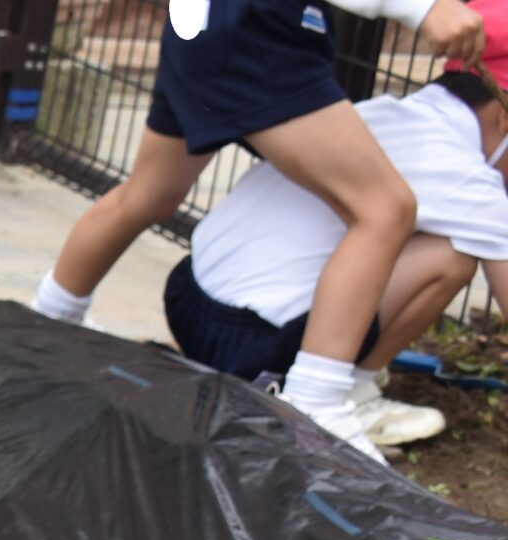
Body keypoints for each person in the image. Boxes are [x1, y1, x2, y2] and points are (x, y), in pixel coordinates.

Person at [29, 0, 487, 456]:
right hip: (257, 31)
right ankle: (317, 401)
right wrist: (422, 7)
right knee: (385, 209)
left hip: (205, 21)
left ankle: (48, 319)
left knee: (150, 192)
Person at [167, 65, 508, 452]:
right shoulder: (466, 176)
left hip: (187, 295)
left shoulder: (386, 111)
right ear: (501, 115)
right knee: (451, 257)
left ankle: (334, 378)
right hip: (250, 343)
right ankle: (338, 396)